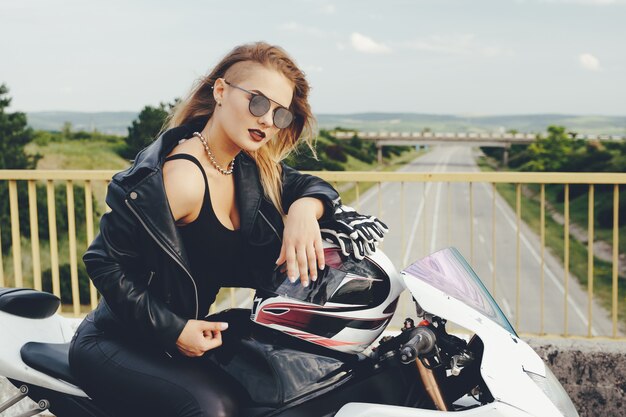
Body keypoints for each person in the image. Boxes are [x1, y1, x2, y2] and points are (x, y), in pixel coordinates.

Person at [69, 42, 386, 417]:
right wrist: (173, 329)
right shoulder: (183, 178)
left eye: (280, 114)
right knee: (214, 409)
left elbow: (306, 185)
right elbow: (104, 261)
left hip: (187, 333)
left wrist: (303, 211)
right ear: (221, 91)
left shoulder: (246, 167)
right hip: (119, 340)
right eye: (257, 102)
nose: (268, 120)